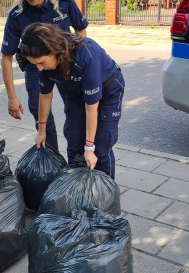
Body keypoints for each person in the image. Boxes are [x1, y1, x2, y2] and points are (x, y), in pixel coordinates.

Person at [1, 0, 88, 151]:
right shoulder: (16, 15)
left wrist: (80, 64)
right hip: (35, 68)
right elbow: (6, 59)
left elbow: (81, 32)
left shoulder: (64, 3)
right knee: (42, 117)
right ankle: (53, 165)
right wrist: (12, 97)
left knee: (75, 112)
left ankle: (78, 158)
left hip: (65, 65)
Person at [20, 23, 125, 179]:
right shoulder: (44, 66)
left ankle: (105, 198)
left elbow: (91, 108)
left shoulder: (86, 55)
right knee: (75, 146)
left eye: (41, 63)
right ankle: (76, 195)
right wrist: (41, 131)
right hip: (75, 93)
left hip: (107, 93)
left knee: (100, 148)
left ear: (54, 50)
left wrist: (89, 148)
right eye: (35, 65)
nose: (40, 69)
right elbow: (45, 96)